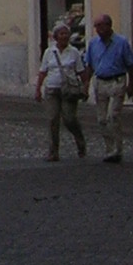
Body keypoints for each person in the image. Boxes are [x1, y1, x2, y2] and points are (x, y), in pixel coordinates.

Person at [85, 13, 133, 164]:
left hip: (117, 80)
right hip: (100, 81)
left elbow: (130, 64)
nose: (98, 29)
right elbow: (89, 65)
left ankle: (117, 150)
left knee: (113, 116)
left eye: (100, 26)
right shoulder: (93, 43)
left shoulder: (121, 42)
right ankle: (109, 148)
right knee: (101, 119)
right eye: (96, 26)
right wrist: (86, 84)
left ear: (109, 25)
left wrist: (131, 84)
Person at [34, 16, 89, 160]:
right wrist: (38, 88)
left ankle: (80, 141)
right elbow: (42, 71)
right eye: (61, 34)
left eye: (66, 34)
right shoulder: (49, 52)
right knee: (52, 119)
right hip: (52, 89)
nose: (64, 36)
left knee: (69, 119)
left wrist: (85, 88)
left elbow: (81, 72)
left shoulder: (74, 52)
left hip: (69, 91)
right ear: (56, 36)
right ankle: (53, 152)